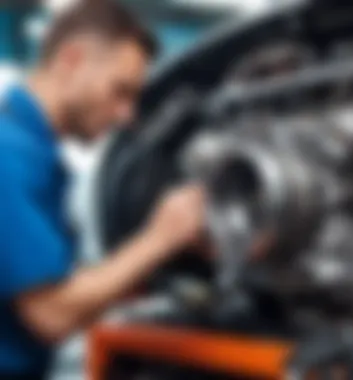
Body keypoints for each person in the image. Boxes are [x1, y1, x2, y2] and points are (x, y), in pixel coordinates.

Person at [0, 1, 205, 379]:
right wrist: (161, 238)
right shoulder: (9, 154)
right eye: (120, 91)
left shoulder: (35, 151)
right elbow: (51, 315)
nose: (126, 115)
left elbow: (50, 282)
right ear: (71, 60)